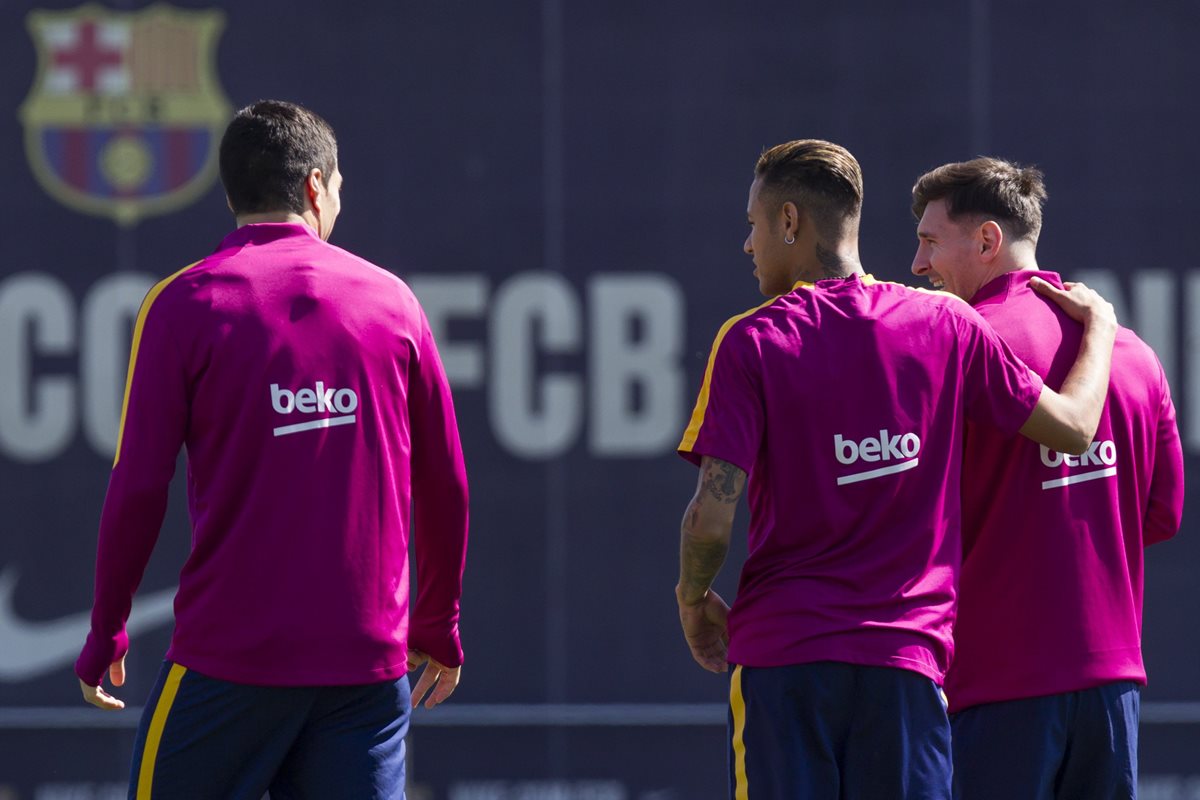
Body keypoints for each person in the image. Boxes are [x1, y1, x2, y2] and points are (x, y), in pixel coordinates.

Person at [674, 139, 1118, 799]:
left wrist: (691, 597)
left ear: (789, 222)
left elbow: (713, 514)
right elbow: (1076, 428)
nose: (748, 245)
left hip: (785, 664)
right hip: (905, 667)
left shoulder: (752, 339)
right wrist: (1102, 328)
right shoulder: (945, 322)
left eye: (754, 225)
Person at [74, 100, 469, 799]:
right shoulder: (394, 302)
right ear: (316, 187)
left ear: (233, 194)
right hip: (365, 674)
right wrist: (437, 624)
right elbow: (446, 483)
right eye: (339, 188)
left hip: (230, 663)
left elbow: (137, 485)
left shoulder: (183, 303)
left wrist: (108, 627)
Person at [910, 158, 1184, 799]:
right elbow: (1160, 515)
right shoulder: (1132, 352)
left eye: (928, 240)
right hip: (1112, 691)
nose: (918, 264)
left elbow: (911, 517)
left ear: (986, 242)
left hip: (995, 690)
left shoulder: (954, 348)